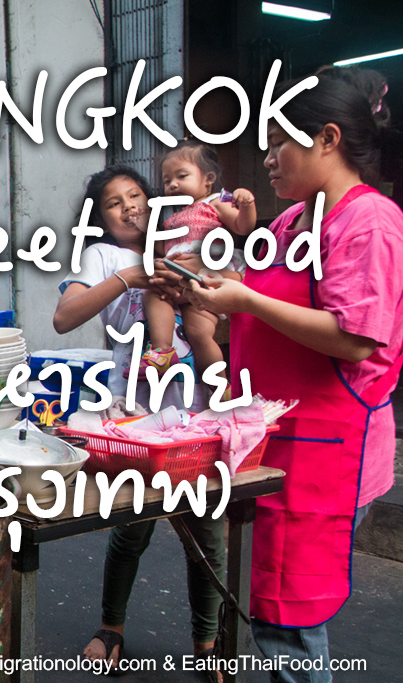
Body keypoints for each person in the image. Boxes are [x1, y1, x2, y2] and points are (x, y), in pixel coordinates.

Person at [183, 66, 401, 683]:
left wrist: (245, 300)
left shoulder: (370, 223)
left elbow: (356, 337)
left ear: (327, 139)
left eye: (278, 143)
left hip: (332, 450)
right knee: (273, 613)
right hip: (280, 438)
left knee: (291, 623)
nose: (269, 160)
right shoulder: (290, 222)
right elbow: (274, 292)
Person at [54, 166, 223, 681]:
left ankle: (207, 644)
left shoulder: (184, 241)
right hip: (136, 415)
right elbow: (64, 317)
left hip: (197, 410)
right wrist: (131, 277)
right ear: (99, 218)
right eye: (113, 203)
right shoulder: (103, 257)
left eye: (135, 195)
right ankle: (112, 629)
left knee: (207, 538)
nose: (129, 206)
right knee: (130, 531)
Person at [134, 141, 255, 394]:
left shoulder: (216, 201)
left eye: (181, 176)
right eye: (167, 181)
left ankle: (222, 391)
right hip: (180, 280)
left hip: (207, 275)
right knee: (158, 297)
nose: (173, 184)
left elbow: (243, 227)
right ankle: (163, 351)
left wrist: (246, 204)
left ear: (208, 179)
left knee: (198, 333)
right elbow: (166, 249)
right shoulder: (172, 218)